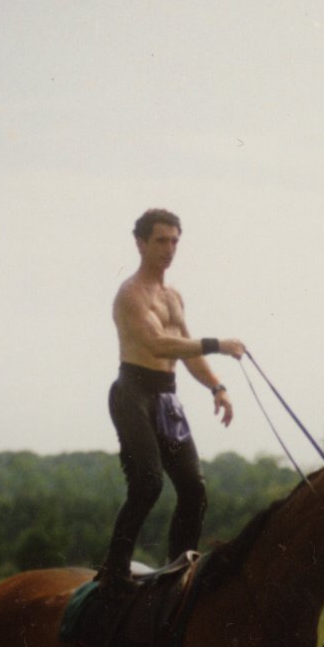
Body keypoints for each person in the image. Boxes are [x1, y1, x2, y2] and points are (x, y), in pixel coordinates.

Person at [96, 208, 246, 587]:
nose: (169, 249)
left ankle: (179, 572)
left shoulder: (173, 296)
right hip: (132, 394)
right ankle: (113, 571)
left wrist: (217, 387)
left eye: (175, 241)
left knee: (194, 489)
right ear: (141, 243)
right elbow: (156, 343)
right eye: (161, 240)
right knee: (148, 483)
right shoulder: (131, 293)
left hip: (166, 398)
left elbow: (185, 352)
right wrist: (218, 344)